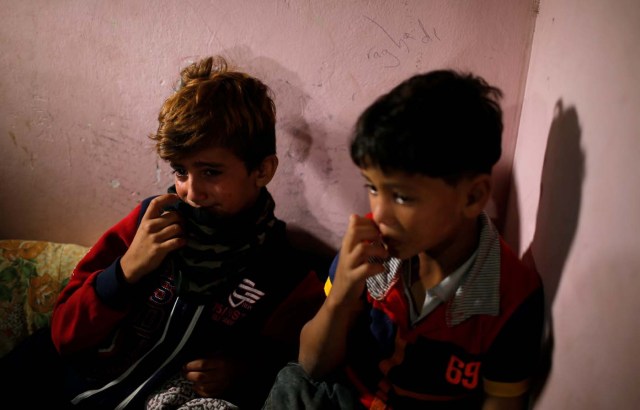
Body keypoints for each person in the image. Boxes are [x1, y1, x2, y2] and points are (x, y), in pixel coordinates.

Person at [0, 55, 326, 409]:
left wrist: (242, 371)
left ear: (262, 170)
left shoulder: (285, 273)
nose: (191, 192)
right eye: (180, 171)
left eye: (211, 172)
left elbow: (291, 368)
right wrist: (125, 272)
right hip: (48, 385)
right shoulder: (150, 222)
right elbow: (63, 335)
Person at [263, 70, 545, 409]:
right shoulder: (369, 246)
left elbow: (502, 401)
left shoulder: (511, 295)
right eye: (372, 187)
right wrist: (341, 297)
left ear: (472, 198)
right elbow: (312, 365)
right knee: (293, 381)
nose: (379, 214)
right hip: (345, 396)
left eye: (402, 197)